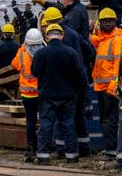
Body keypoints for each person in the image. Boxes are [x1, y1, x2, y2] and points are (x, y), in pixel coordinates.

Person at [32, 24, 87, 164]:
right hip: (67, 95)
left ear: (46, 36)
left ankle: (43, 156)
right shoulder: (71, 53)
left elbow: (35, 72)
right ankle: (72, 156)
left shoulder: (40, 53)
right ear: (62, 36)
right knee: (68, 125)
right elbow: (80, 76)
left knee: (46, 125)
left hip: (47, 96)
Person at [40, 6, 91, 157]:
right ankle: (84, 150)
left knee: (61, 120)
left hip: (62, 86)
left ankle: (61, 151)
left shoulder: (52, 43)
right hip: (77, 82)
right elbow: (89, 51)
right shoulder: (73, 34)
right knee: (78, 118)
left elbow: (38, 70)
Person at [90, 8, 122, 158]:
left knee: (110, 120)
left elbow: (117, 64)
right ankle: (110, 148)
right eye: (105, 21)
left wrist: (113, 86)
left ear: (115, 22)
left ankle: (111, 149)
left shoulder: (117, 39)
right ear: (100, 23)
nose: (108, 24)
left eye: (110, 21)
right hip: (101, 86)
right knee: (105, 119)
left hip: (110, 88)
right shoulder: (103, 39)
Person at [12, 28, 45, 162]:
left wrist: (22, 48)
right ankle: (43, 145)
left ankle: (31, 146)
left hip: (27, 94)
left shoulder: (22, 54)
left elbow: (14, 64)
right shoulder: (43, 53)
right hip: (41, 92)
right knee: (44, 120)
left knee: (30, 121)